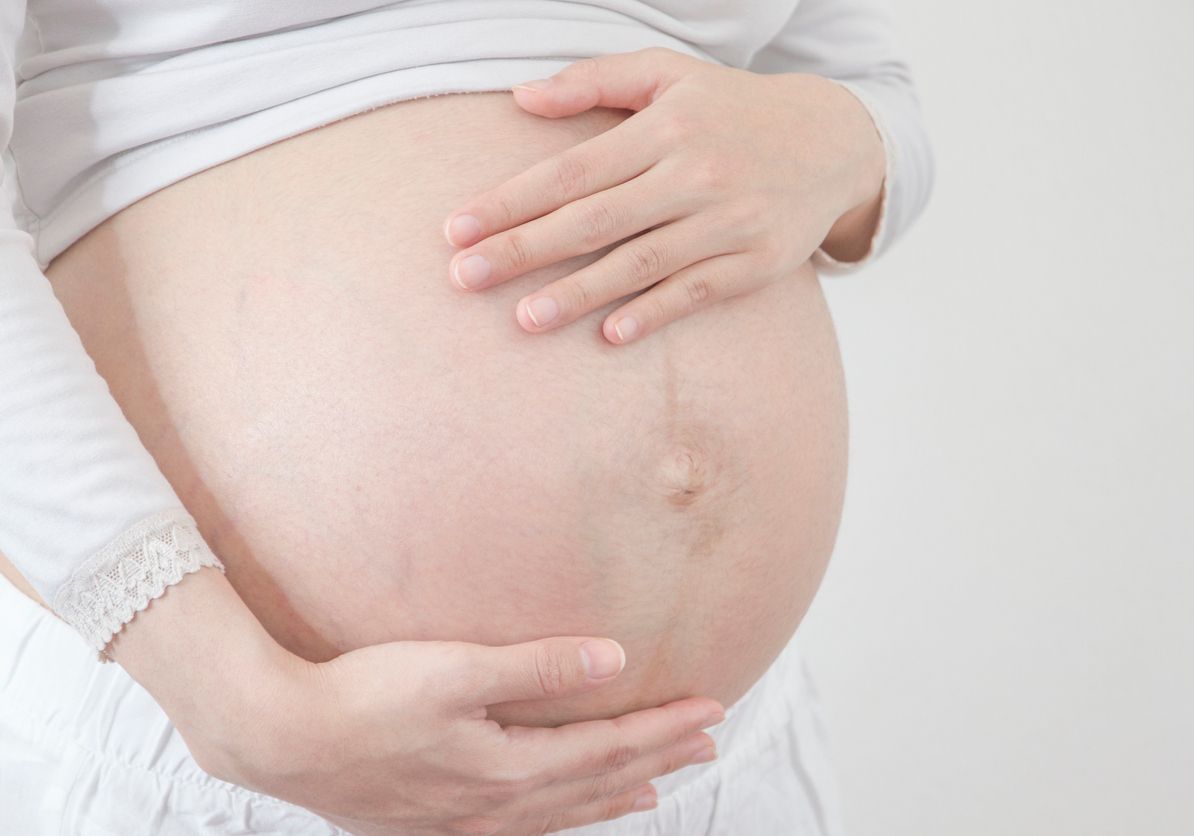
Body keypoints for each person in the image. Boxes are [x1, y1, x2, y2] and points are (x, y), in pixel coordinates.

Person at [0, 0, 933, 832]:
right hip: (257, 748)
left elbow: (869, 100)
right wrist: (239, 708)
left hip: (704, 764)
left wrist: (841, 138)